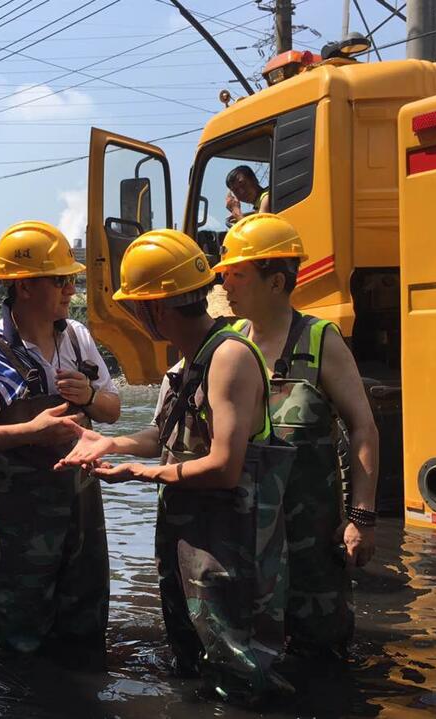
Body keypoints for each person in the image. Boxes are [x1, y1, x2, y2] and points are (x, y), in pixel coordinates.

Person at [56, 229, 295, 704]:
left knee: (240, 673)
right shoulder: (186, 364)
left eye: (136, 307)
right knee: (193, 663)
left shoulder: (228, 358)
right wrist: (109, 444)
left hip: (234, 550)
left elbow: (225, 466)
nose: (135, 316)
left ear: (156, 308)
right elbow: (163, 439)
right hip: (193, 546)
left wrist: (141, 474)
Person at [0, 220, 120, 661]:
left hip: (83, 521)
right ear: (23, 286)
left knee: (85, 631)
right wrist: (28, 431)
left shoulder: (76, 339)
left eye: (71, 280)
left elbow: (112, 410)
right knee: (15, 646)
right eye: (60, 281)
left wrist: (90, 396)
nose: (70, 291)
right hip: (22, 529)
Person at [212, 213, 378, 658]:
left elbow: (362, 427)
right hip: (245, 546)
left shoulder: (320, 340)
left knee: (320, 660)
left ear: (276, 282)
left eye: (238, 274)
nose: (225, 283)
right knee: (249, 659)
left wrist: (361, 518)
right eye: (225, 273)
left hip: (311, 551)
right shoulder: (228, 344)